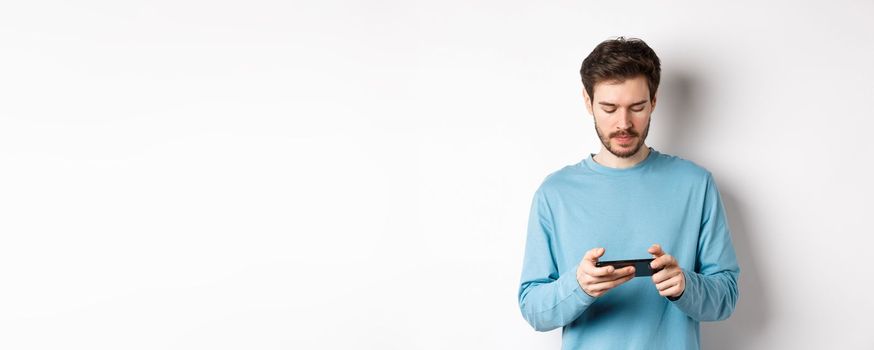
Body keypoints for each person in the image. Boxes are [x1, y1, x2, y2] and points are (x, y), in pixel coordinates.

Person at [517, 36, 740, 350]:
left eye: (637, 107)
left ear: (654, 102)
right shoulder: (555, 193)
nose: (624, 124)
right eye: (609, 108)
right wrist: (577, 286)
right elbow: (533, 309)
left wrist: (686, 286)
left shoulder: (696, 184)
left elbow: (726, 297)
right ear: (587, 101)